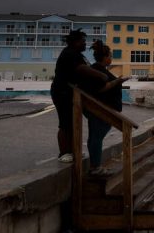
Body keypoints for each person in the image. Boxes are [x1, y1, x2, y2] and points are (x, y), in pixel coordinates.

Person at [51, 29, 108, 163]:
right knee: (65, 123)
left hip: (72, 93)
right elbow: (82, 69)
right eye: (82, 41)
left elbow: (87, 66)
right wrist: (101, 75)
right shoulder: (69, 54)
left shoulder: (77, 54)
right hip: (62, 93)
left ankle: (73, 150)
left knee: (72, 123)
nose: (84, 44)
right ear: (75, 42)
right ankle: (64, 152)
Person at [82, 40, 129, 176]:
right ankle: (95, 167)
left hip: (103, 110)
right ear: (104, 57)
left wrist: (117, 81)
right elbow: (100, 89)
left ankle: (95, 166)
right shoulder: (97, 71)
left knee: (95, 137)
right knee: (96, 137)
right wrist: (117, 81)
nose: (111, 58)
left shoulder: (98, 69)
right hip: (101, 111)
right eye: (110, 55)